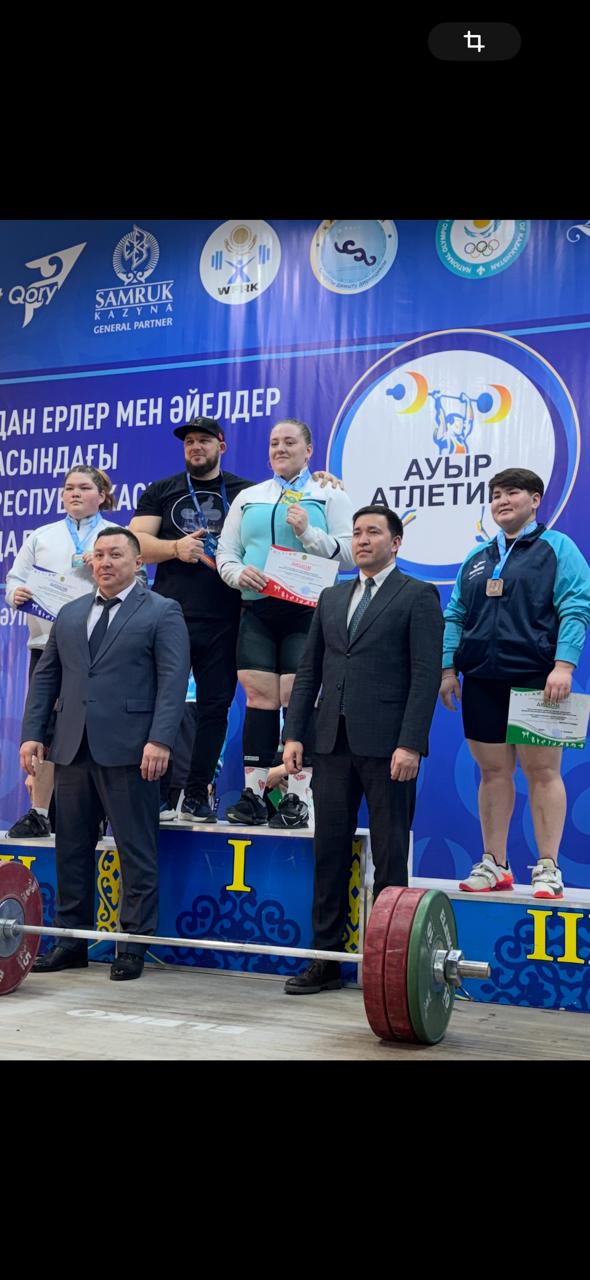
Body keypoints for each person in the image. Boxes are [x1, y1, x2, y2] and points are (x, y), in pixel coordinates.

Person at [130, 414, 343, 824]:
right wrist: (175, 549)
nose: (196, 447)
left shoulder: (249, 492)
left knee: (217, 707)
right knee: (160, 703)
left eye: (204, 440)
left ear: (221, 446)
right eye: (189, 441)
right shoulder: (162, 489)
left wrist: (323, 483)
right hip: (170, 613)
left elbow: (292, 498)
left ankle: (198, 795)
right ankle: (156, 795)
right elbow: (134, 542)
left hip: (231, 615)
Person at [281, 505, 443, 993]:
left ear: (396, 542)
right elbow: (309, 671)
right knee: (329, 852)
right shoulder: (332, 597)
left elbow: (425, 676)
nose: (363, 540)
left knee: (390, 856)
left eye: (374, 532)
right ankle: (326, 960)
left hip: (389, 746)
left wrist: (411, 743)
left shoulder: (417, 595)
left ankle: (390, 970)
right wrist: (295, 734)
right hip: (330, 743)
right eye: (356, 533)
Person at [19, 527, 190, 981]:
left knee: (136, 849)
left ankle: (133, 945)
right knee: (71, 848)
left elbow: (173, 680)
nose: (105, 562)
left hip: (133, 749)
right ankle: (71, 941)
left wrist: (161, 739)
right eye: (98, 555)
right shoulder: (71, 612)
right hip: (72, 748)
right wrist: (33, 734)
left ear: (138, 562)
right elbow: (47, 678)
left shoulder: (162, 610)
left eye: (116, 554)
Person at [440, 467, 590, 899]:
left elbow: (576, 606)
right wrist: (448, 669)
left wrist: (564, 665)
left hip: (537, 678)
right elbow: (455, 615)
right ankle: (495, 863)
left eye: (512, 493)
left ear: (535, 500)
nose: (502, 501)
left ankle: (548, 867)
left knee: (543, 772)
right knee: (492, 772)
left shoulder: (558, 547)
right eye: (495, 495)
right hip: (481, 678)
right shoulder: (478, 557)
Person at [216, 417, 355, 829]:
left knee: (298, 695)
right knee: (259, 697)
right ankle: (255, 796)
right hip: (257, 609)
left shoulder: (329, 494)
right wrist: (237, 574)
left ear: (308, 450)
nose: (280, 448)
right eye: (274, 442)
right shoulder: (249, 497)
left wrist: (309, 533)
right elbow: (226, 552)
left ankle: (297, 797)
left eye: (290, 442)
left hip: (307, 610)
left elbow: (350, 553)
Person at [5, 465, 119, 839]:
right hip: (47, 644)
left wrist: (101, 563)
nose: (74, 493)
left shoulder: (114, 537)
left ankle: (96, 814)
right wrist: (15, 594)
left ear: (102, 495)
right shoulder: (42, 535)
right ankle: (39, 812)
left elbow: (135, 583)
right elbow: (15, 579)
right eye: (68, 487)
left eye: (83, 487)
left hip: (98, 650)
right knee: (43, 728)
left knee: (92, 729)